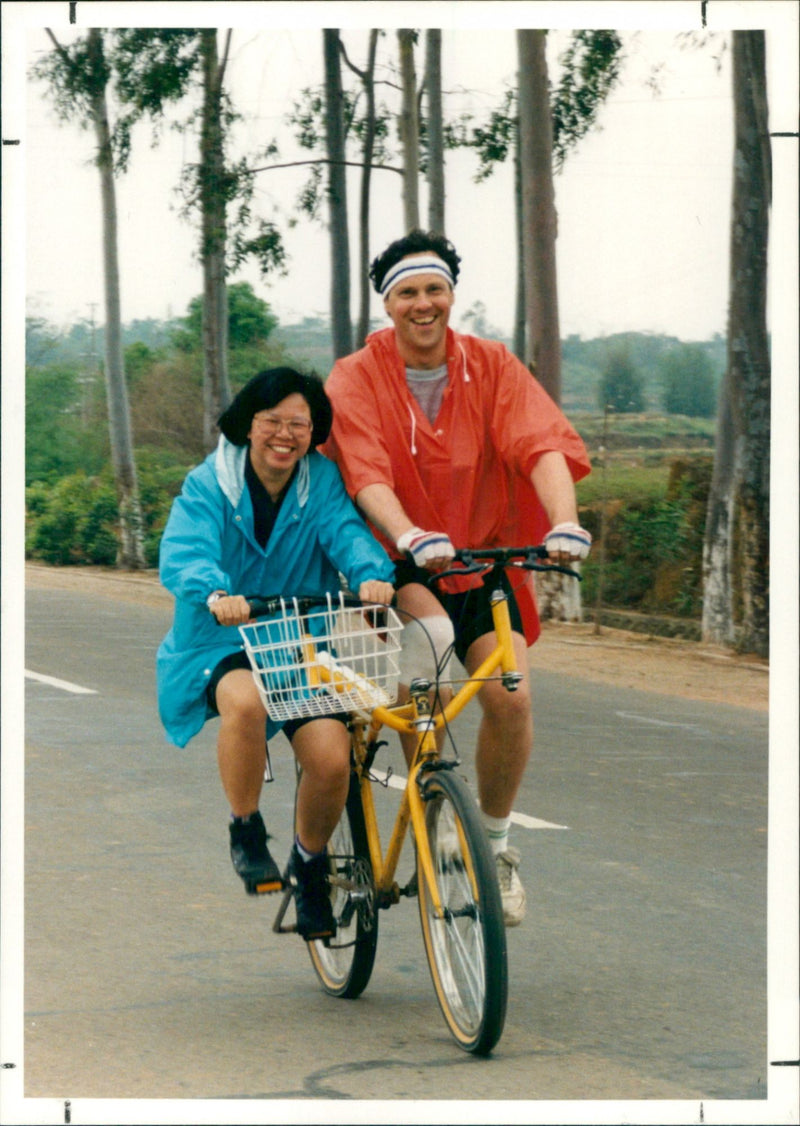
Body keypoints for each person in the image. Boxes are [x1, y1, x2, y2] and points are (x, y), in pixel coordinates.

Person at [321, 230, 592, 927]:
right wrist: (409, 534)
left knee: (512, 701)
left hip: (485, 560)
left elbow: (543, 444)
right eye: (407, 292)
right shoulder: (354, 377)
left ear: (451, 296)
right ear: (387, 304)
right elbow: (365, 472)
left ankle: (495, 849)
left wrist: (564, 522)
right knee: (429, 689)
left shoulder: (492, 366)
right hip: (400, 568)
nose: (423, 304)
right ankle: (438, 819)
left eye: (434, 289)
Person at [156, 367, 394, 941]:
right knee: (246, 701)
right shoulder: (209, 483)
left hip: (297, 639)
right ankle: (245, 828)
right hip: (221, 638)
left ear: (314, 433)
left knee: (333, 760)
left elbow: (347, 532)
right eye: (272, 421)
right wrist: (215, 592)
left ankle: (309, 866)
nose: (285, 435)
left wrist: (371, 575)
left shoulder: (321, 479)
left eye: (299, 424)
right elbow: (186, 549)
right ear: (247, 424)